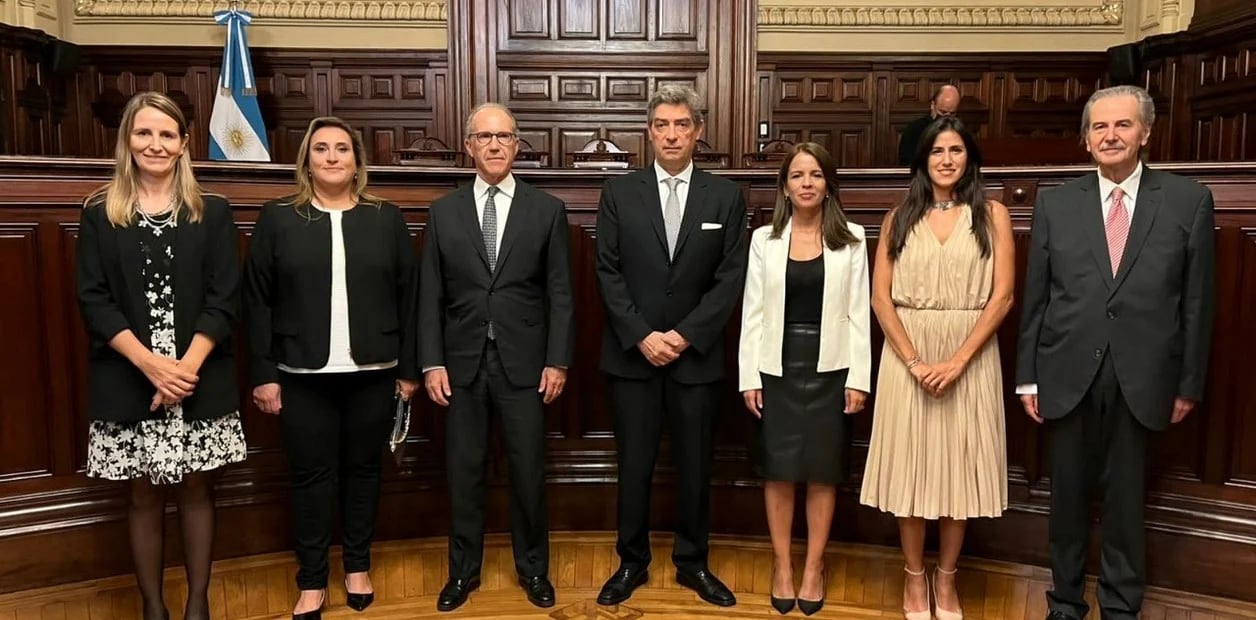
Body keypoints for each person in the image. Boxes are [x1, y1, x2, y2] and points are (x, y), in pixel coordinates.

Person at [1016, 85, 1216, 620]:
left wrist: (1188, 383)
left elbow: (1197, 305)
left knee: (1128, 503)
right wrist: (1028, 378)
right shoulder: (1056, 203)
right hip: (1065, 372)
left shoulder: (1187, 201)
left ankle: (1121, 606)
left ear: (1145, 133)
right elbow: (1037, 296)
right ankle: (1064, 603)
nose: (1110, 136)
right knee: (1067, 501)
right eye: (1100, 127)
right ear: (1085, 139)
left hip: (1144, 377)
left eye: (1122, 125)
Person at [76, 91, 247, 620]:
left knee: (198, 490)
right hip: (129, 377)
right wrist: (151, 365)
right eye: (144, 133)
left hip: (199, 377)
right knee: (143, 495)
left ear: (183, 145)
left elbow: (225, 298)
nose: (155, 143)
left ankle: (198, 606)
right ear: (127, 140)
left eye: (167, 134)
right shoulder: (99, 212)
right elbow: (93, 299)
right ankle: (153, 608)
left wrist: (184, 368)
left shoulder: (212, 211)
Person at [243, 116, 420, 619]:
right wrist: (263, 373)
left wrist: (409, 370)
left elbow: (410, 299)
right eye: (321, 148)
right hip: (301, 375)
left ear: (357, 160)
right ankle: (313, 580)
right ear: (307, 160)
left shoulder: (384, 218)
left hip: (375, 369)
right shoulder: (279, 218)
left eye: (342, 148)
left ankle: (358, 566)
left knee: (364, 472)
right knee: (311, 478)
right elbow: (256, 301)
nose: (332, 157)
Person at [593, 84, 747, 608]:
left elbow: (729, 278)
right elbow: (607, 272)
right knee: (632, 468)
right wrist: (641, 335)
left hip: (695, 358)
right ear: (650, 131)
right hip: (633, 357)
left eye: (682, 124)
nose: (672, 133)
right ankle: (631, 562)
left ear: (698, 131)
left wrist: (683, 335)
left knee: (695, 468)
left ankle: (693, 563)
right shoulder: (619, 193)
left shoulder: (725, 197)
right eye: (662, 124)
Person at [419, 102, 574, 612]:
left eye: (503, 137)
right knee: (463, 472)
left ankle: (534, 570)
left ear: (516, 145)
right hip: (460, 363)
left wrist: (558, 360)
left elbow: (560, 294)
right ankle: (462, 573)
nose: (493, 145)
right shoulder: (443, 212)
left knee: (528, 472)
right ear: (468, 145)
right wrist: (431, 362)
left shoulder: (546, 209)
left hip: (525, 364)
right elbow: (430, 296)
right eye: (484, 137)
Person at [860, 116, 1015, 620]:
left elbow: (1003, 296)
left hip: (970, 355)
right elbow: (881, 299)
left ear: (969, 157)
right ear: (922, 161)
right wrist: (915, 361)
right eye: (936, 152)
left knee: (958, 472)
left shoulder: (992, 214)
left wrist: (957, 361)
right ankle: (912, 577)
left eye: (955, 150)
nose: (946, 160)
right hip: (908, 356)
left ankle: (946, 579)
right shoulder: (898, 218)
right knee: (911, 471)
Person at [737, 142, 871, 616]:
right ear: (785, 187)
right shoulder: (763, 240)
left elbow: (859, 314)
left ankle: (813, 566)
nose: (807, 183)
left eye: (815, 175)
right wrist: (748, 375)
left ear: (829, 184)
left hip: (831, 367)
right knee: (778, 472)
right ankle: (783, 566)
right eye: (797, 175)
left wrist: (859, 378)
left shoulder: (852, 238)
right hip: (776, 365)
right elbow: (752, 312)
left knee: (822, 472)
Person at [898, 84, 960, 166]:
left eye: (952, 114)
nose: (946, 118)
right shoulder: (914, 131)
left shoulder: (961, 131)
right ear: (932, 105)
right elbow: (907, 164)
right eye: (943, 112)